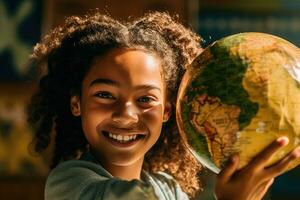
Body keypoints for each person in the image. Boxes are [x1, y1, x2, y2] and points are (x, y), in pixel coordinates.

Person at [26, 11, 300, 200]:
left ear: (169, 111)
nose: (126, 114)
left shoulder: (168, 188)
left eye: (145, 99)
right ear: (77, 104)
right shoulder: (68, 183)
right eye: (106, 95)